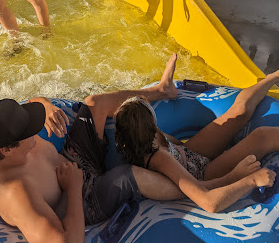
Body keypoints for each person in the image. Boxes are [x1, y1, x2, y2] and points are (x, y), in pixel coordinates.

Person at [0, 55, 274, 243]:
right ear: (7, 150)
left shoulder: (14, 140)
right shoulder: (15, 192)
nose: (36, 130)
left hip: (74, 161)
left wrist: (44, 104)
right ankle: (205, 185)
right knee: (129, 175)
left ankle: (161, 90)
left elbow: (31, 100)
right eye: (30, 131)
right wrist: (71, 189)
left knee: (93, 102)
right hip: (81, 195)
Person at [115, 54, 279, 213]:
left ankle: (273, 77)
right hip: (203, 174)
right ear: (149, 123)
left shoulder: (150, 134)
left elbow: (178, 146)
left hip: (190, 154)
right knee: (261, 136)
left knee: (239, 111)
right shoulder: (159, 158)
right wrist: (242, 178)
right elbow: (208, 201)